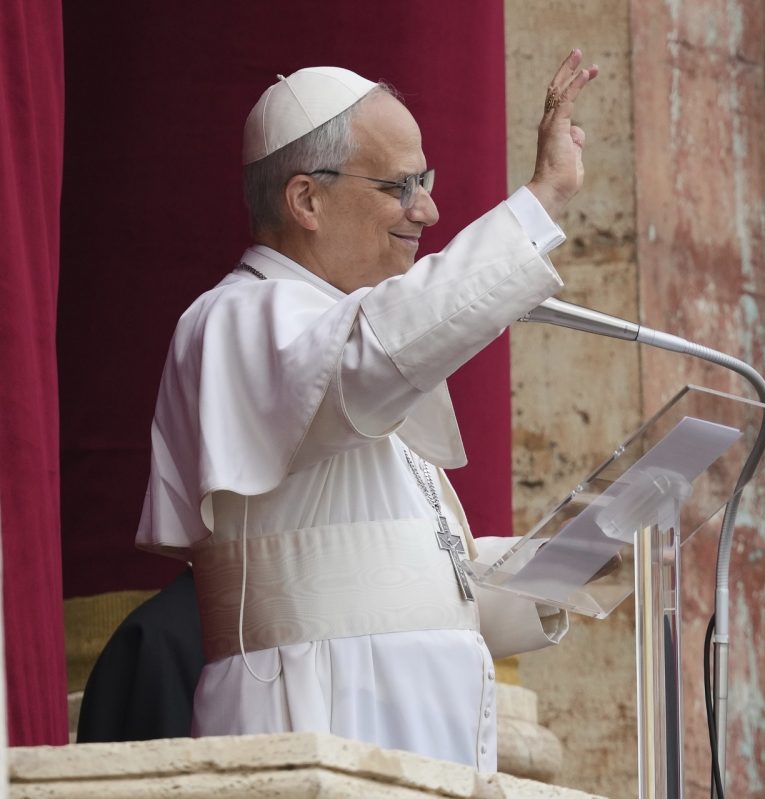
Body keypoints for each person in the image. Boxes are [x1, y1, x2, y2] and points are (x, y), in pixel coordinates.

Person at [133, 51, 599, 772]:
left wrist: (581, 554)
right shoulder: (238, 319)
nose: (427, 209)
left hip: (411, 740)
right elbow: (379, 350)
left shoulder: (343, 338)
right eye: (400, 186)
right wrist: (539, 203)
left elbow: (395, 580)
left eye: (426, 181)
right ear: (306, 200)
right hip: (315, 720)